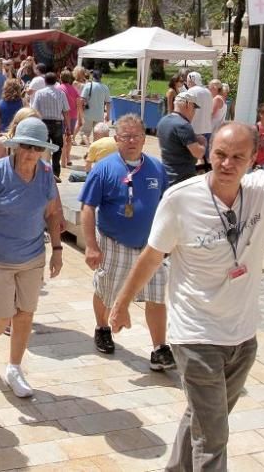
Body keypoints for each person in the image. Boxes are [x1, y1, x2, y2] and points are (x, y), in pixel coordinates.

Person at [108, 75, 264, 471]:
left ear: (253, 159)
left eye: (238, 157)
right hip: (195, 334)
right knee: (214, 439)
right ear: (209, 152)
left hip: (242, 337)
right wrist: (122, 303)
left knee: (203, 420)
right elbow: (151, 255)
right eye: (220, 155)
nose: (227, 165)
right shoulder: (181, 200)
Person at [0, 118, 64, 397]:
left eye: (36, 148)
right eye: (25, 146)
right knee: (0, 316)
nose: (30, 153)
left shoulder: (46, 173)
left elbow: (52, 213)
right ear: (15, 146)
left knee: (25, 315)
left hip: (33, 256)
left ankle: (14, 367)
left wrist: (57, 250)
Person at [79, 115, 173, 369]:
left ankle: (160, 348)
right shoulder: (104, 168)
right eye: (126, 136)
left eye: (136, 136)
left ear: (144, 139)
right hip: (114, 242)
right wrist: (91, 245)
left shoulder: (156, 168)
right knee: (106, 289)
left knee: (156, 296)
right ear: (117, 139)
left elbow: (167, 204)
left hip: (150, 246)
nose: (131, 141)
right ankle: (102, 328)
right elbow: (88, 208)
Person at [157, 90, 206, 185]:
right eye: (194, 108)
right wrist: (203, 143)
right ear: (188, 104)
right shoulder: (184, 125)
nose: (194, 112)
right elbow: (198, 153)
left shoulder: (163, 121)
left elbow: (173, 141)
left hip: (166, 176)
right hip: (182, 178)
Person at [31, 72, 70, 179]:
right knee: (58, 149)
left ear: (45, 81)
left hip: (43, 123)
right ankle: (55, 173)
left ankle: (44, 172)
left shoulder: (39, 93)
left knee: (43, 149)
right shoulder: (61, 93)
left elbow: (34, 110)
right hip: (57, 123)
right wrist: (68, 127)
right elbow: (66, 111)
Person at [186, 72, 213, 167]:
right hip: (207, 127)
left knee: (193, 156)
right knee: (206, 157)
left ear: (191, 80)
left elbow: (187, 109)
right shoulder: (208, 92)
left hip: (195, 128)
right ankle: (207, 174)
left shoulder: (191, 92)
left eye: (188, 80)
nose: (187, 83)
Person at [59, 70, 82, 169]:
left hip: (61, 116)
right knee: (69, 138)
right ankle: (68, 158)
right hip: (73, 116)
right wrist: (80, 117)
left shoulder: (58, 88)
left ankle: (62, 159)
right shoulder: (74, 90)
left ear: (60, 78)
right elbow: (79, 103)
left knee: (62, 139)